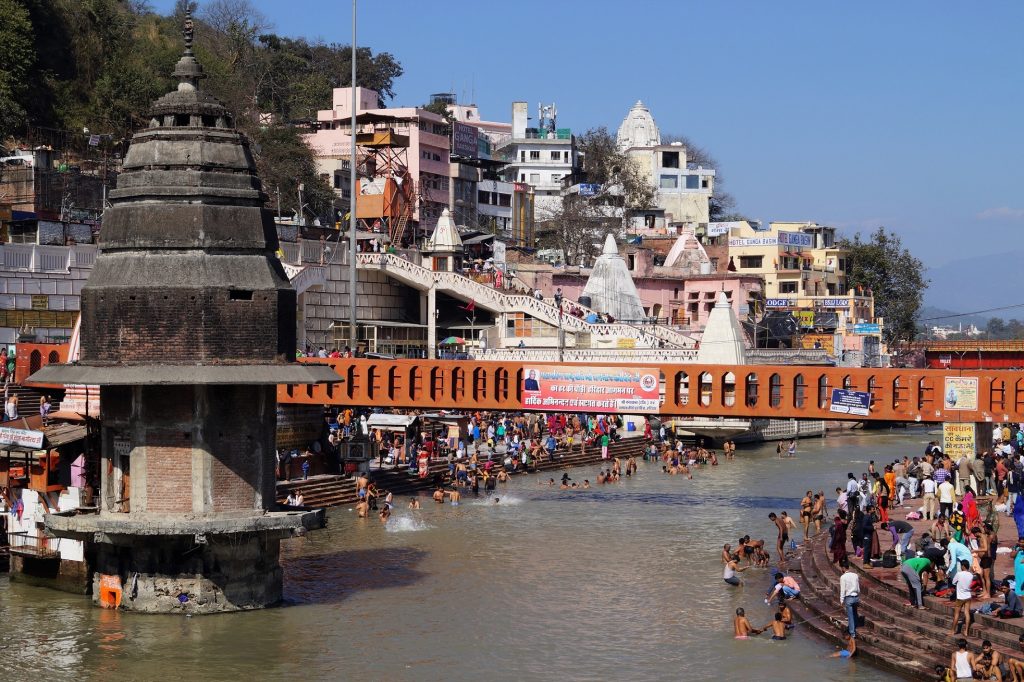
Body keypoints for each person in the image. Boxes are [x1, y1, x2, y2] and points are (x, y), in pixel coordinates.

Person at [950, 559, 974, 637]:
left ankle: (953, 630)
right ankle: (966, 630)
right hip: (968, 596)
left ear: (963, 566)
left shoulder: (959, 574)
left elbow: (953, 582)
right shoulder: (971, 575)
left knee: (956, 614)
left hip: (960, 597)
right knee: (967, 613)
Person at [839, 559, 860, 638]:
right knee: (855, 613)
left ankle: (852, 633)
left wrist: (841, 600)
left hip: (849, 598)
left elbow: (842, 590)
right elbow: (858, 589)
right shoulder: (855, 575)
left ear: (843, 568)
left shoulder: (843, 577)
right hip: (856, 597)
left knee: (850, 616)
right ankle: (855, 627)